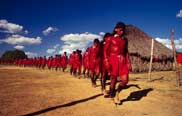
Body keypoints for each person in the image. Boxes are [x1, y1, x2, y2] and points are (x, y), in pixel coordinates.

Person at [104, 22, 132, 103]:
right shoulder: (110, 38)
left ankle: (117, 92)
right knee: (113, 79)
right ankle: (112, 94)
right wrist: (106, 61)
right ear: (116, 29)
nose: (122, 31)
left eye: (123, 30)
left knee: (125, 80)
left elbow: (126, 52)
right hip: (113, 60)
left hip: (123, 61)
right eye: (120, 29)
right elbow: (105, 50)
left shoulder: (125, 40)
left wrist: (129, 62)